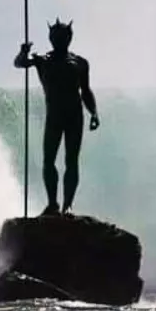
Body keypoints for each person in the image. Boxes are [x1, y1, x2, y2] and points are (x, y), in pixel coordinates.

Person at [14, 17, 100, 216]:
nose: (59, 39)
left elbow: (85, 91)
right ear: (50, 38)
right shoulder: (42, 60)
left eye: (63, 36)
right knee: (49, 161)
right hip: (54, 116)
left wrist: (94, 112)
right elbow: (19, 64)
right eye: (55, 36)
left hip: (75, 116)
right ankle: (52, 203)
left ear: (70, 38)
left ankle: (67, 205)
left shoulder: (80, 63)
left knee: (71, 161)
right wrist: (23, 51)